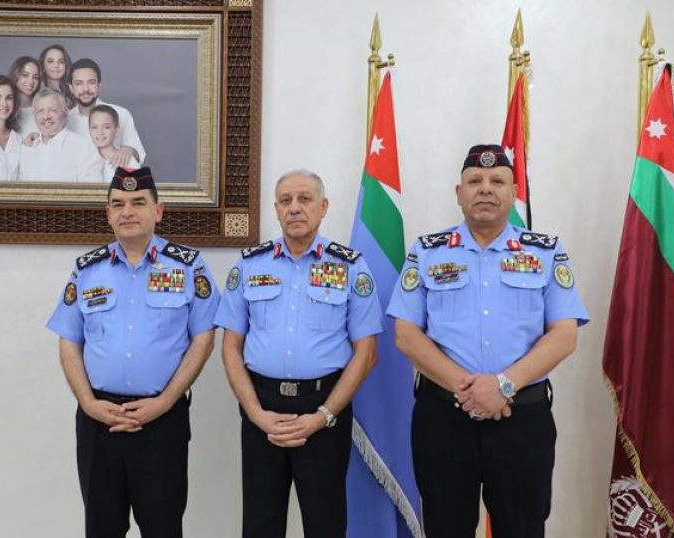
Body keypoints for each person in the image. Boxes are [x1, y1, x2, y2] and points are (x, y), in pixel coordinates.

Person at [387, 144, 590, 538]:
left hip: (521, 418)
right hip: (443, 419)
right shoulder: (427, 252)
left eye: (497, 181)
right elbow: (406, 335)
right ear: (458, 192)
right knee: (445, 529)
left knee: (522, 529)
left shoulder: (546, 252)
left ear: (513, 193)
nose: (485, 188)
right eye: (474, 181)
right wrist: (469, 389)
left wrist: (502, 385)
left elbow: (564, 335)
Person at [46, 166, 220, 538]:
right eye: (118, 204)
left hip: (162, 420)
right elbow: (68, 341)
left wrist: (166, 401)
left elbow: (204, 338)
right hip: (99, 421)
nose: (127, 211)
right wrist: (89, 403)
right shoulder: (87, 270)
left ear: (158, 211)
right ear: (108, 214)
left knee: (163, 528)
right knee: (102, 529)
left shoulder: (189, 266)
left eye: (138, 202)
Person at [215, 169, 382, 538]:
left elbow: (367, 352)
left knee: (325, 524)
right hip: (262, 407)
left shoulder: (350, 267)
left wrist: (323, 415)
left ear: (323, 207)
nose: (294, 208)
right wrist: (255, 414)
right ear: (276, 208)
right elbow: (230, 346)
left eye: (305, 199)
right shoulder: (249, 265)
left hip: (324, 409)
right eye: (286, 201)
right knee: (260, 524)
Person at [67, 58, 146, 168]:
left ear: (99, 86)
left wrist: (129, 150)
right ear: (71, 88)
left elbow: (138, 156)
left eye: (91, 82)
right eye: (79, 83)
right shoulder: (66, 121)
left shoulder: (121, 114)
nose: (85, 89)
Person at [19, 87, 101, 182]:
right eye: (40, 111)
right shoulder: (27, 148)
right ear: (34, 115)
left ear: (65, 112)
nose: (46, 116)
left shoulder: (85, 149)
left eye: (53, 110)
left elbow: (91, 190)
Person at [88, 104, 125, 181]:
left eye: (106, 127)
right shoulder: (85, 159)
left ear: (116, 130)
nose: (100, 132)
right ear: (89, 130)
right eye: (94, 127)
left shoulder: (126, 160)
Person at [7, 56, 41, 137]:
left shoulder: (43, 108)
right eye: (25, 75)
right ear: (15, 75)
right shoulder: (5, 109)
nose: (31, 81)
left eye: (35, 77)